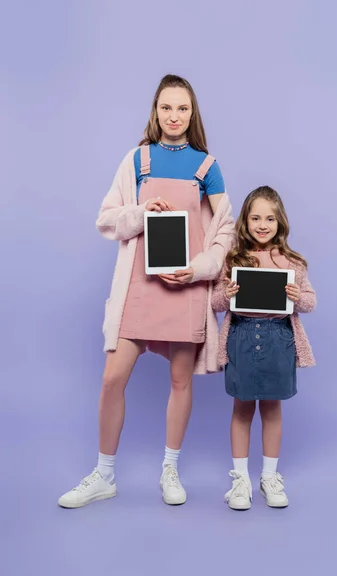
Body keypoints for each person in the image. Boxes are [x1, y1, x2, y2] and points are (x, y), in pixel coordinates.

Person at [58, 74, 234, 509]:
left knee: (179, 380)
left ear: (193, 115)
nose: (174, 116)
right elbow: (106, 219)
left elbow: (224, 232)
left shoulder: (206, 167)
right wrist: (140, 212)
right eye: (166, 108)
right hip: (140, 285)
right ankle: (103, 475)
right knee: (112, 379)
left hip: (186, 287)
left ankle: (169, 469)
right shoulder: (137, 161)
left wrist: (199, 270)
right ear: (155, 112)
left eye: (182, 108)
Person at [211, 186, 316, 510]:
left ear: (279, 221)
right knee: (242, 409)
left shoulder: (292, 262)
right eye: (255, 217)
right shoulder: (233, 259)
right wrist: (227, 293)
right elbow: (215, 302)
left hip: (278, 339)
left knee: (272, 409)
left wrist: (298, 296)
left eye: (269, 218)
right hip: (241, 337)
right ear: (246, 220)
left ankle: (269, 477)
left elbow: (310, 302)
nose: (262, 224)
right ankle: (240, 479)